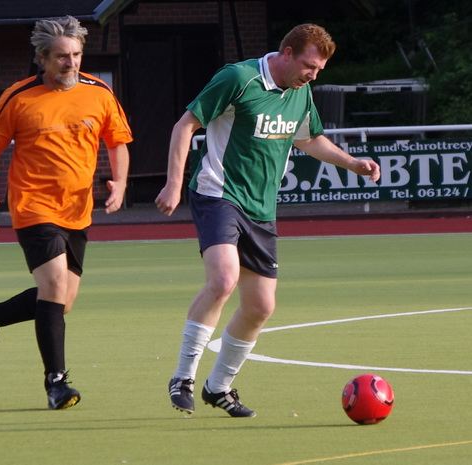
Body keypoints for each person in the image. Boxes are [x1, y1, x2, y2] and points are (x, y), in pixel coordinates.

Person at [155, 24, 380, 417]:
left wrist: (352, 163)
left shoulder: (300, 91)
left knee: (260, 306)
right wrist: (174, 184)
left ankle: (218, 387)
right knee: (223, 279)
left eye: (319, 70)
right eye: (309, 66)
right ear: (287, 52)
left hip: (261, 208)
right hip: (218, 193)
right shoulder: (238, 78)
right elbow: (185, 125)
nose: (313, 75)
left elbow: (308, 138)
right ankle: (183, 377)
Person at [0, 15, 132, 410]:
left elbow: (117, 141)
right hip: (33, 206)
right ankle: (56, 383)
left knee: (61, 301)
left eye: (75, 54)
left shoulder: (99, 93)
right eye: (61, 56)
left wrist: (120, 182)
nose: (70, 62)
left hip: (78, 210)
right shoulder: (19, 97)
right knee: (54, 287)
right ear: (42, 58)